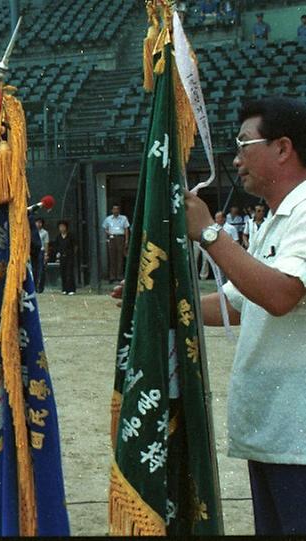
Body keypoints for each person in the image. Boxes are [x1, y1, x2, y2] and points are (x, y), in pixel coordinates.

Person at [183, 98, 306, 535]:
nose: (236, 159)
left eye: (244, 144)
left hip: (299, 436)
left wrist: (210, 234)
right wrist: (166, 302)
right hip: (275, 432)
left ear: (283, 147)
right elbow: (237, 302)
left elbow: (281, 294)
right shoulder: (277, 218)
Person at [199, 210, 239, 279]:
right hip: (217, 252)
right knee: (219, 273)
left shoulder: (231, 228)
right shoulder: (213, 228)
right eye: (216, 218)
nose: (216, 220)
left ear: (224, 218)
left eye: (218, 218)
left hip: (228, 253)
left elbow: (236, 241)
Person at [102, 203, 130, 283]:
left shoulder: (123, 218)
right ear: (112, 210)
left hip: (120, 237)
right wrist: (109, 233)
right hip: (112, 238)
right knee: (112, 257)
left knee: (120, 257)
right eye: (114, 209)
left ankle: (119, 276)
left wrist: (126, 240)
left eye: (117, 209)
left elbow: (126, 229)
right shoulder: (108, 219)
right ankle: (112, 276)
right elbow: (105, 228)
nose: (115, 211)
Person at [54, 220, 77, 295]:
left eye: (63, 226)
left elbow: (75, 246)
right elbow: (56, 246)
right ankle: (64, 289)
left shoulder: (71, 236)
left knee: (69, 273)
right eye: (60, 227)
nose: (62, 228)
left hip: (69, 256)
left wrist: (73, 254)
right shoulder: (58, 237)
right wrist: (57, 254)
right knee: (63, 272)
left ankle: (71, 289)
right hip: (62, 257)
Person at [33, 216, 49, 293]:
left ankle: (40, 287)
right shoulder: (32, 232)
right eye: (37, 222)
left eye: (40, 223)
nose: (38, 224)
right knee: (34, 270)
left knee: (41, 270)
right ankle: (34, 287)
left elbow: (46, 244)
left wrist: (46, 254)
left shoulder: (45, 233)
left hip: (41, 252)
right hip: (34, 252)